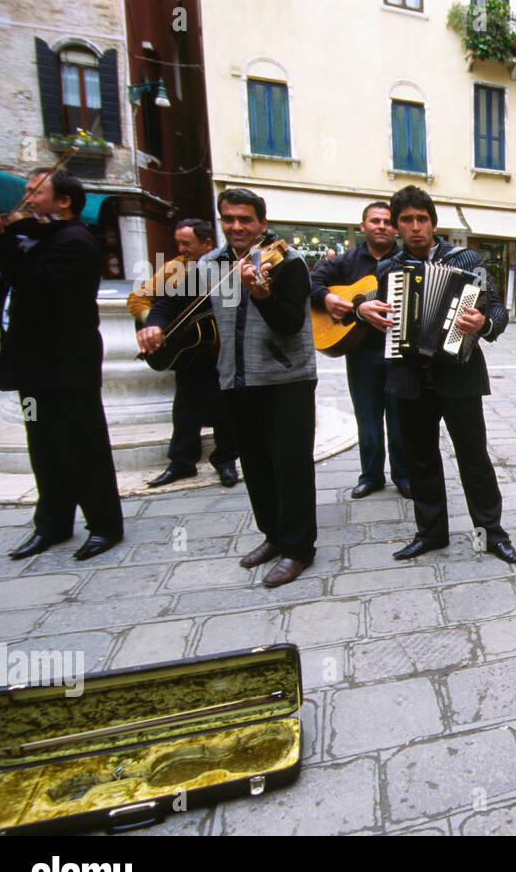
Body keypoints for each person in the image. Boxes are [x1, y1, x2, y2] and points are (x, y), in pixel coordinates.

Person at [359, 186, 516, 565]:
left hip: (459, 375)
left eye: (422, 219)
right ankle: (431, 534)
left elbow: (496, 308)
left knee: (473, 458)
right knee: (421, 460)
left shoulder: (466, 258)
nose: (415, 227)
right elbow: (376, 312)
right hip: (410, 379)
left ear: (433, 222)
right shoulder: (387, 269)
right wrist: (364, 310)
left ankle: (489, 534)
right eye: (407, 220)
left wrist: (483, 323)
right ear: (397, 226)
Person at [0, 169, 124, 561]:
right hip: (32, 373)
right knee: (42, 447)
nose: (26, 199)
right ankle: (52, 525)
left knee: (83, 448)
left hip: (66, 370)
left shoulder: (75, 242)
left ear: (64, 201)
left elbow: (38, 288)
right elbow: (11, 290)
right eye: (26, 191)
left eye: (35, 192)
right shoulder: (36, 240)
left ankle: (105, 526)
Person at [203, 188, 316, 588]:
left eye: (245, 219)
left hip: (287, 379)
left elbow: (289, 324)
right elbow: (186, 304)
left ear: (262, 225)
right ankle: (274, 536)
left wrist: (261, 293)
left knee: (291, 466)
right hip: (238, 377)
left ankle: (300, 549)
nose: (236, 226)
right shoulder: (212, 264)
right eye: (229, 219)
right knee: (256, 465)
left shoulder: (289, 263)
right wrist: (154, 322)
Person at [309, 202, 409, 500]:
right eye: (374, 221)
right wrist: (328, 299)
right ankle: (371, 476)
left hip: (399, 352)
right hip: (360, 351)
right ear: (363, 226)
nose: (382, 226)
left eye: (388, 222)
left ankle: (403, 476)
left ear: (396, 228)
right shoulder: (346, 261)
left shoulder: (407, 260)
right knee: (367, 418)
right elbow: (309, 282)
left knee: (399, 419)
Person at [132, 218, 240, 489]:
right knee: (185, 408)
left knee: (225, 408)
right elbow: (139, 299)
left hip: (219, 350)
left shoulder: (224, 268)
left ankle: (225, 461)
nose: (181, 249)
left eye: (186, 243)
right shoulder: (174, 269)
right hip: (189, 351)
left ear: (207, 244)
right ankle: (181, 463)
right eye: (177, 243)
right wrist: (159, 327)